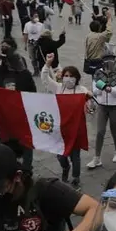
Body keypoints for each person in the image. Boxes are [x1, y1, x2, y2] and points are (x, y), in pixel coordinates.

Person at [41, 57, 91, 187]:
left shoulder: (82, 90)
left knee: (75, 157)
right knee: (61, 155)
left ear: (77, 78)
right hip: (61, 128)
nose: (68, 78)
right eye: (66, 75)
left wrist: (89, 98)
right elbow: (45, 78)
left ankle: (76, 177)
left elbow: (91, 108)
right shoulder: (58, 88)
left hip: (76, 128)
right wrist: (47, 64)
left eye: (71, 76)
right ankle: (65, 167)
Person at [89, 60, 116, 170]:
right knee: (100, 131)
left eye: (111, 59)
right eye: (106, 60)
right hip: (102, 106)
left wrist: (111, 90)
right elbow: (95, 90)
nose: (108, 63)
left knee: (114, 130)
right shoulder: (98, 73)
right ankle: (97, 158)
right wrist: (102, 88)